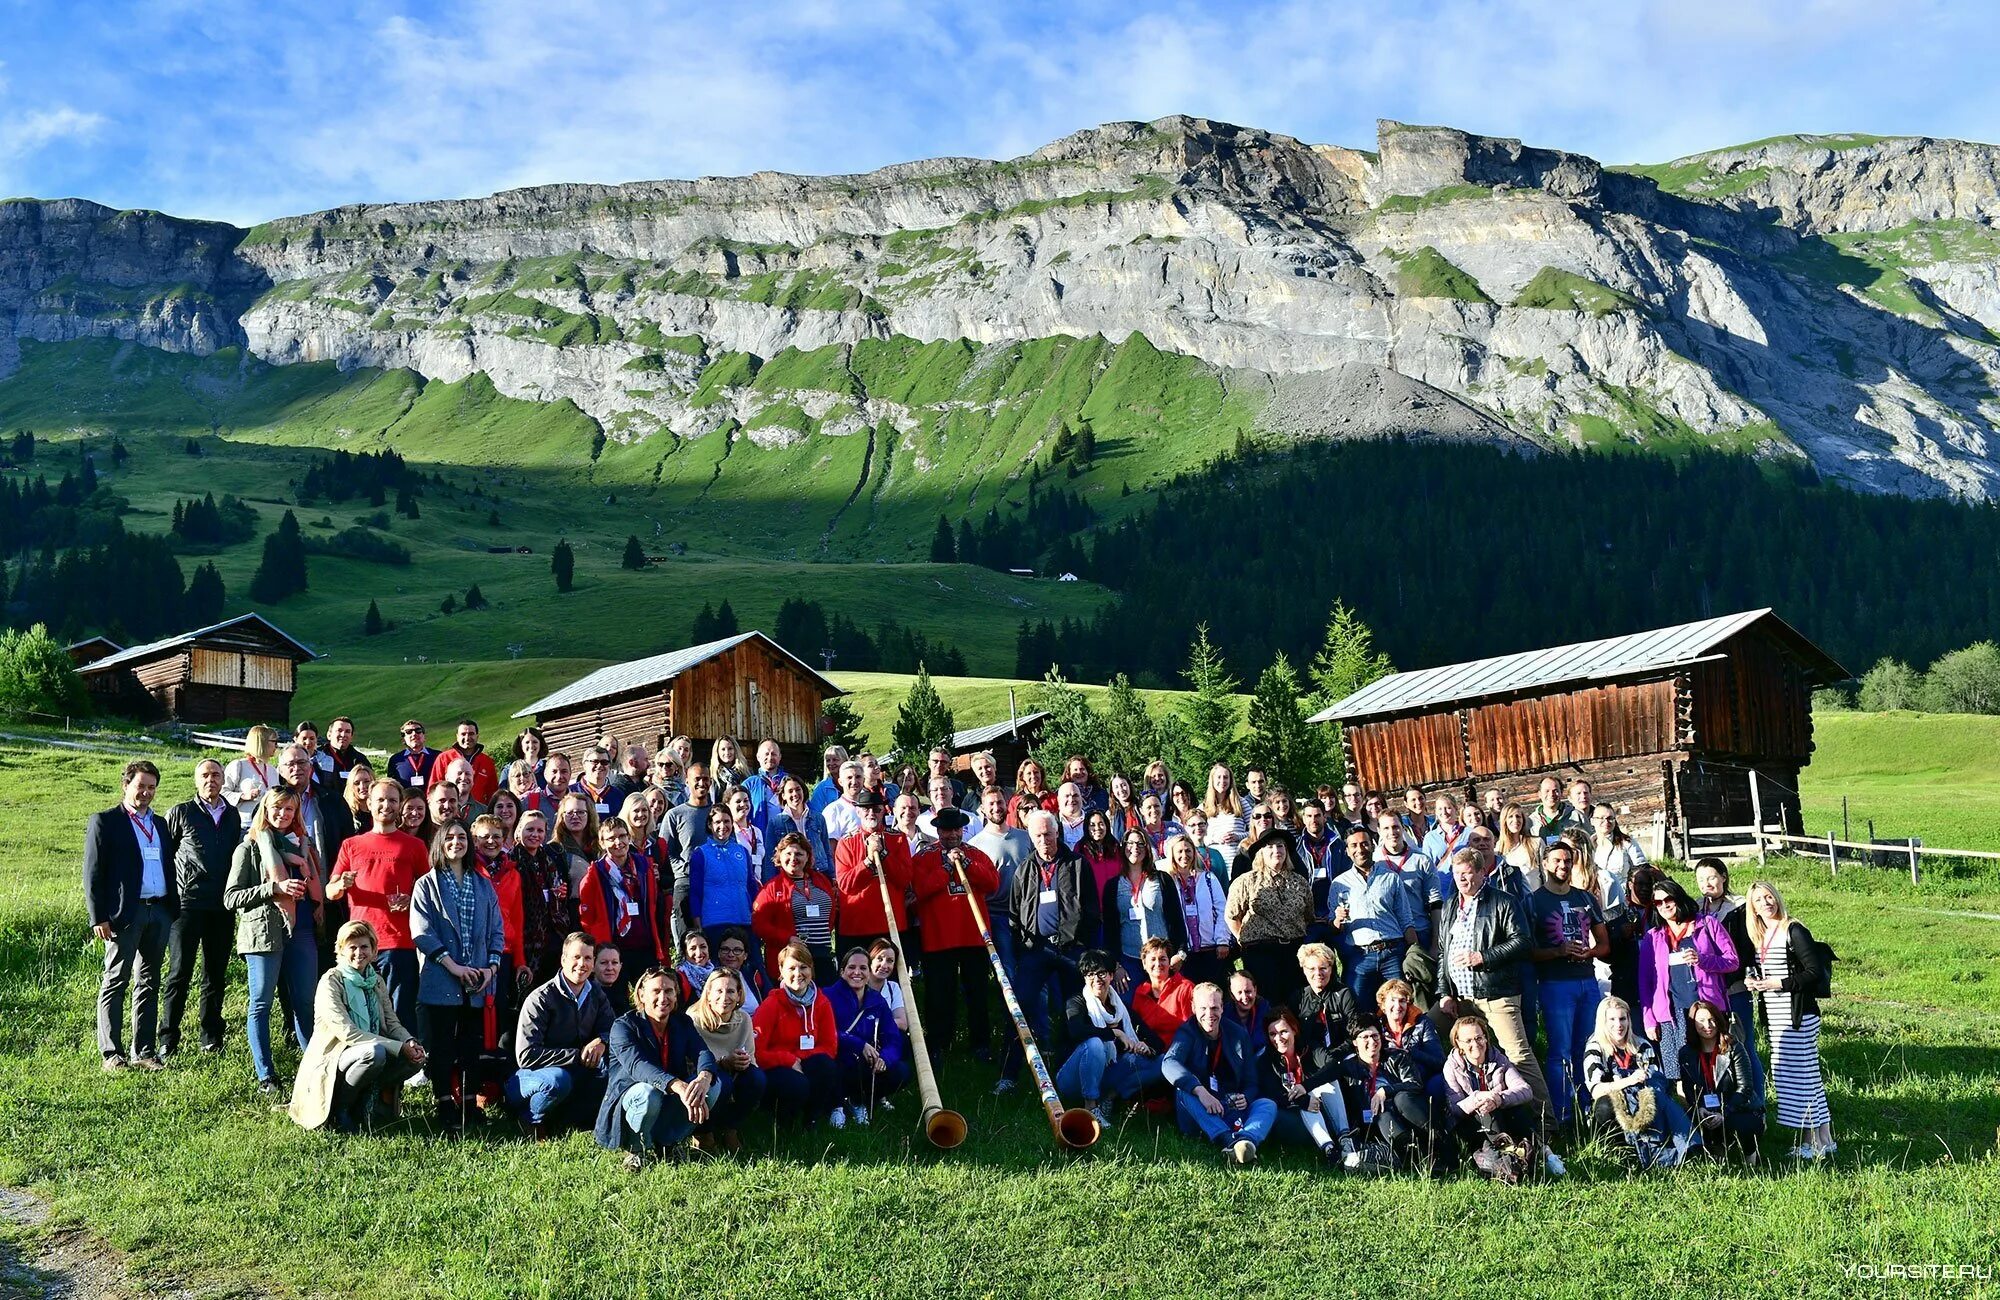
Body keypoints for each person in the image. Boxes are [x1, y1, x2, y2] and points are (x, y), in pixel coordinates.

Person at [1432, 847, 1554, 1141]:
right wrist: (1444, 992)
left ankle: (1545, 1125)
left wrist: (1483, 957)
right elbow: (1442, 953)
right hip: (1460, 998)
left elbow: (1523, 942)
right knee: (1432, 1029)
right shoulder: (1450, 906)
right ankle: (1453, 1122)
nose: (1462, 878)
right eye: (1457, 873)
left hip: (1495, 993)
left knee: (1519, 1055)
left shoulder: (1503, 902)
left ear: (1482, 872)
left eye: (1468, 873)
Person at [225, 786, 324, 1096]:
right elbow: (231, 898)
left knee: (305, 1003)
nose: (283, 815)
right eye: (277, 808)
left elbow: (316, 888)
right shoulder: (250, 848)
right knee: (262, 1003)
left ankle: (312, 1067)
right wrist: (273, 889)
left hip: (303, 931)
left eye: (290, 810)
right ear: (265, 810)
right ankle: (266, 1075)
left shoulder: (305, 848)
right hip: (263, 935)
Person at [410, 822, 505, 1128]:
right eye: (449, 837)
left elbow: (496, 931)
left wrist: (491, 968)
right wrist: (453, 967)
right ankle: (443, 1105)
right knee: (441, 1047)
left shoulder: (482, 884)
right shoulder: (427, 884)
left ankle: (468, 1105)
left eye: (462, 837)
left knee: (470, 1047)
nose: (456, 842)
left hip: (477, 980)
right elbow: (422, 932)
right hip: (442, 977)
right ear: (440, 843)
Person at [289, 920, 426, 1134]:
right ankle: (341, 1110)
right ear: (341, 950)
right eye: (352, 947)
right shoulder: (331, 981)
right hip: (335, 1057)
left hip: (367, 1051)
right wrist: (398, 1047)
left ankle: (368, 1103)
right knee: (374, 1053)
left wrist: (409, 1042)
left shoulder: (376, 981)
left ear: (373, 950)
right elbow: (347, 1033)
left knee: (415, 1059)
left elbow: (391, 1023)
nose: (359, 953)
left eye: (364, 947)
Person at [86, 760, 178, 1073]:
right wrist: (98, 916)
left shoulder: (161, 824)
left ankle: (145, 1051)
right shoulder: (106, 821)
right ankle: (112, 1054)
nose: (146, 793)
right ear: (126, 785)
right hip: (125, 913)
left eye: (152, 787)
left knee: (149, 983)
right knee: (116, 981)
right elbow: (93, 873)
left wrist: (170, 908)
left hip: (159, 910)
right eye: (141, 786)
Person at [998, 810, 1097, 1095]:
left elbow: (1091, 909)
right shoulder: (1025, 868)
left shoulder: (1078, 865)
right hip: (1036, 949)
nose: (1044, 840)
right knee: (1020, 1009)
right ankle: (1009, 1074)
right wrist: (1023, 945)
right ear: (1031, 837)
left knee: (1074, 1011)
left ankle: (1069, 1074)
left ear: (1058, 833)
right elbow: (1014, 912)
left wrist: (1080, 942)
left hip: (1070, 950)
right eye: (1038, 835)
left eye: (1048, 834)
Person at [326, 781, 428, 1033]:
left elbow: (430, 891)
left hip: (398, 942)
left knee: (400, 1011)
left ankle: (407, 1067)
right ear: (369, 804)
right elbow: (330, 891)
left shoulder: (414, 846)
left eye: (393, 800)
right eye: (380, 800)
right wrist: (341, 883)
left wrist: (411, 897)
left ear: (400, 805)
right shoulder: (351, 845)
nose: (386, 805)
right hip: (359, 945)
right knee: (361, 1013)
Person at [1744, 881, 1835, 1159]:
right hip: (1777, 1015)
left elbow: (1814, 972)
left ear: (1777, 898)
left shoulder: (1793, 929)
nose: (1766, 903)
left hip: (1798, 1015)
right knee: (1801, 1077)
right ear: (1753, 908)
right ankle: (1824, 1138)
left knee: (1802, 1078)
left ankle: (1812, 1142)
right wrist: (1756, 982)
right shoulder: (1762, 935)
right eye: (1759, 900)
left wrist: (1776, 983)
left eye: (1769, 897)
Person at [596, 966, 718, 1168]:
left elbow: (702, 1052)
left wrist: (704, 1078)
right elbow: (638, 1066)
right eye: (656, 991)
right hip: (631, 1098)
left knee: (712, 1087)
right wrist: (679, 1085)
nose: (663, 998)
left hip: (668, 1097)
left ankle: (668, 1142)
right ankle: (636, 1149)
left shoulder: (683, 1022)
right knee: (649, 1092)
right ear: (642, 995)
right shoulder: (623, 1026)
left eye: (669, 991)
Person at [159, 758, 240, 1057]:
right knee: (179, 972)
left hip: (222, 905)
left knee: (215, 974)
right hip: (187, 904)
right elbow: (166, 856)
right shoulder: (181, 813)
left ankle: (211, 1035)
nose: (211, 780)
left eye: (216, 775)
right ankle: (168, 1038)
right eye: (205, 775)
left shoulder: (232, 815)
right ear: (196, 781)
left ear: (222, 779)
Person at [1528, 840, 1608, 1128]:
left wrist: (1590, 952)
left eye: (1567, 861)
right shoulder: (1534, 900)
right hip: (1555, 984)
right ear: (1546, 864)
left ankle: (1588, 1111)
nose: (1563, 866)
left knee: (1587, 1048)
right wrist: (1558, 952)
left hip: (1587, 981)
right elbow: (1528, 951)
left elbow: (1604, 943)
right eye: (1557, 861)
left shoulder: (1585, 898)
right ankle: (1561, 1115)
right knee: (1560, 1051)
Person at [508, 932, 617, 1138]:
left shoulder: (595, 993)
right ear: (563, 959)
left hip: (575, 1068)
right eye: (576, 957)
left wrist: (602, 1041)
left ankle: (570, 1120)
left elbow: (612, 1027)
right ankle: (531, 1117)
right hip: (532, 1076)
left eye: (587, 958)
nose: (581, 964)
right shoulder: (540, 998)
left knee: (611, 1067)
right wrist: (577, 1055)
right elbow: (526, 1056)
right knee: (559, 1080)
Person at [911, 809, 999, 1060]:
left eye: (957, 829)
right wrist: (946, 868)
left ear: (963, 830)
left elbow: (993, 883)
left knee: (977, 992)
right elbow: (920, 890)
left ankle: (980, 1044)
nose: (952, 834)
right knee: (939, 993)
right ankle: (938, 1044)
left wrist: (967, 865)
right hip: (939, 938)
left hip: (974, 936)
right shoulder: (923, 857)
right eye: (947, 830)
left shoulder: (976, 854)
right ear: (938, 831)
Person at [1161, 982, 1277, 1166]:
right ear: (1193, 1008)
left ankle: (1246, 1141)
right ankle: (1229, 1140)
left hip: (1229, 1105)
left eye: (1215, 1008)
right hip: (1201, 1110)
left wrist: (1246, 1097)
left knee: (1267, 1104)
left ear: (1223, 1008)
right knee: (1183, 1091)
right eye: (1203, 1008)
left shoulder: (1238, 1034)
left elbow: (1251, 1081)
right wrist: (1201, 1092)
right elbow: (1169, 1063)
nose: (1209, 1014)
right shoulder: (1187, 1031)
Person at [1638, 877, 1739, 1083]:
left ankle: (1719, 1111)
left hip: (1707, 1009)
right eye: (1658, 903)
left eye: (1668, 899)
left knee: (1717, 1068)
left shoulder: (1707, 924)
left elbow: (1732, 961)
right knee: (1679, 1073)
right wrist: (1649, 1020)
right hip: (1671, 1013)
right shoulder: (1654, 936)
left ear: (1679, 898)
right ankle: (1689, 1113)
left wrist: (1702, 960)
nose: (1664, 905)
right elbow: (1645, 980)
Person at [1582, 996, 1698, 1169]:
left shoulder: (1642, 1045)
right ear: (1602, 1022)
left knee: (1661, 1099)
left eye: (1622, 1018)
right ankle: (1616, 1151)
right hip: (1612, 1102)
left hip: (1644, 1099)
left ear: (1629, 1019)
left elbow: (1657, 1080)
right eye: (1612, 1020)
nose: (1618, 1025)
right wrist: (1628, 1081)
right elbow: (1596, 1090)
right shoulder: (1595, 1047)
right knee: (1605, 1106)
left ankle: (1686, 1148)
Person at [1056, 949, 1161, 1129]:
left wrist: (1147, 1047)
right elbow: (1076, 1031)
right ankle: (1091, 1108)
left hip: (1106, 1077)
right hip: (1071, 1079)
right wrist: (1115, 1033)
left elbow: (1156, 1041)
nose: (1096, 979)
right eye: (1090, 974)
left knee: (1161, 1062)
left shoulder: (1121, 1009)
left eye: (1101, 973)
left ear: (1111, 976)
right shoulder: (1077, 1002)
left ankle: (1109, 1097)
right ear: (1084, 978)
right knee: (1095, 1044)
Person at [1694, 856, 1767, 1105]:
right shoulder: (1695, 910)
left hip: (1735, 987)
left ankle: (1757, 1102)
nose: (1707, 883)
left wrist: (1751, 973)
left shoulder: (1740, 907)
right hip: (1707, 994)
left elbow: (1751, 945)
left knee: (1743, 1045)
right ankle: (1722, 1101)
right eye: (1701, 879)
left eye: (1712, 877)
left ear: (1724, 877)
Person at [752, 940, 845, 1129]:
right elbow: (756, 1052)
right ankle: (784, 1122)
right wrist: (788, 1060)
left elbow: (829, 1046)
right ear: (781, 971)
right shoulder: (770, 1005)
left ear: (811, 969)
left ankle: (811, 1119)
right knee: (797, 1084)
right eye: (791, 968)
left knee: (826, 1066)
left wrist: (799, 1059)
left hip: (804, 1060)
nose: (798, 974)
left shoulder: (822, 1002)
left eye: (803, 967)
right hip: (776, 1067)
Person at [1338, 1017, 1448, 1173]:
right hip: (1376, 1120)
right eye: (1365, 1037)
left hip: (1409, 1113)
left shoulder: (1396, 1057)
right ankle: (1414, 1157)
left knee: (1402, 1098)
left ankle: (1436, 1147)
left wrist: (1386, 1091)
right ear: (1355, 1042)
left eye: (1375, 1036)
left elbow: (1415, 1084)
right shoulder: (1349, 1068)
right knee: (1383, 1114)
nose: (1372, 1041)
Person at [1442, 1016, 1546, 1181]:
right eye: (1468, 1040)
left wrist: (1498, 1098)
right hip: (1471, 1123)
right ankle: (1515, 1159)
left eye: (1479, 1038)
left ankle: (1525, 1155)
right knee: (1486, 1110)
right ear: (1458, 1043)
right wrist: (1479, 1098)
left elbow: (1525, 1090)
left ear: (1485, 1037)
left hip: (1501, 1116)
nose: (1475, 1044)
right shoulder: (1451, 1067)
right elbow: (1455, 1108)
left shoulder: (1499, 1059)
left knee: (1516, 1111)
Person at [1327, 824, 1420, 1006]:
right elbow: (1334, 929)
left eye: (1364, 844)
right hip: (1360, 957)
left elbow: (1405, 919)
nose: (1360, 849)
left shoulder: (1391, 877)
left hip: (1393, 952)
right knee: (1358, 1008)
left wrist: (1414, 952)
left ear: (1372, 845)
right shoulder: (1339, 884)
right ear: (1347, 851)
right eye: (1354, 845)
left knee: (1401, 1006)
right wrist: (1337, 919)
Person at [1223, 828, 1312, 1010]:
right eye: (1270, 847)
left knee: (1296, 1003)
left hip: (1294, 951)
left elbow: (1309, 915)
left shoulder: (1300, 882)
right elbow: (1231, 916)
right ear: (1261, 852)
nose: (1276, 851)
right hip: (1260, 952)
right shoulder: (1246, 881)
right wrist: (1243, 939)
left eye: (1280, 846)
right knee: (1267, 1005)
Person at [578, 817, 669, 989]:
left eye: (622, 836)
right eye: (611, 838)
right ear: (602, 842)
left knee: (649, 995)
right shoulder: (594, 874)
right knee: (617, 1002)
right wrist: (599, 946)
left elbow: (654, 905)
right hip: (613, 950)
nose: (618, 842)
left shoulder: (644, 866)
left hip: (645, 946)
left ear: (629, 838)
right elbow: (586, 918)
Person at [1259, 1008, 1359, 1163]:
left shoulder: (1309, 1048)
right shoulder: (1267, 1059)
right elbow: (1270, 1093)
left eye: (1283, 1032)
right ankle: (1329, 1149)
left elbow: (1334, 1067)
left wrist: (1305, 1086)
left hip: (1321, 1112)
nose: (1278, 1038)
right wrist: (1303, 1100)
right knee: (1307, 1097)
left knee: (1327, 1082)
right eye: (1272, 1034)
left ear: (1294, 1030)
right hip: (1290, 1116)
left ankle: (1345, 1138)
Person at [826, 947, 908, 1125]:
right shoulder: (827, 996)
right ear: (842, 971)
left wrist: (885, 1058)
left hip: (866, 1061)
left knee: (901, 1072)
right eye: (851, 967)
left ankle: (859, 1101)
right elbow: (825, 1032)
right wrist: (858, 1044)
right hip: (837, 1058)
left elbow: (893, 1038)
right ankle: (836, 1105)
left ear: (869, 972)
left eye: (863, 968)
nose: (857, 972)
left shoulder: (877, 1001)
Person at [686, 965, 765, 1150]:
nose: (724, 997)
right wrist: (722, 1062)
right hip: (700, 1075)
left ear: (739, 995)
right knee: (721, 1083)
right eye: (718, 991)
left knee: (757, 1079)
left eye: (731, 991)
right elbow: (688, 1063)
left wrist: (743, 1061)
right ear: (708, 994)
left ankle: (731, 1128)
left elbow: (751, 1057)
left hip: (734, 1070)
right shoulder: (693, 1019)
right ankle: (703, 1132)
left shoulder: (744, 1019)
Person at [1677, 998, 1764, 1161]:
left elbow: (1745, 1088)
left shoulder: (1734, 1048)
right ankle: (1715, 1149)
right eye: (1701, 1021)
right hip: (1705, 1109)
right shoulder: (1686, 1053)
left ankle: (1751, 1156)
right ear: (1693, 1024)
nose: (1707, 1025)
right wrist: (1700, 1108)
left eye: (1711, 1019)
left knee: (1746, 1124)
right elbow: (1689, 1088)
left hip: (1735, 1107)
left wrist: (1724, 1112)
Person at [752, 832, 839, 984]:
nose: (793, 858)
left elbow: (831, 913)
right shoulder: (772, 887)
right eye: (788, 853)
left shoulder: (821, 880)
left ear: (807, 857)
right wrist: (787, 938)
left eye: (799, 853)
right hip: (794, 959)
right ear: (780, 856)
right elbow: (759, 924)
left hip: (823, 955)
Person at [832, 791, 913, 952]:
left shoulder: (897, 839)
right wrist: (868, 862)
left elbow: (904, 879)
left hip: (890, 923)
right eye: (866, 809)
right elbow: (846, 885)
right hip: (856, 925)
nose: (871, 813)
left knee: (891, 975)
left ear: (884, 810)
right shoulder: (846, 842)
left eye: (876, 809)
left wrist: (884, 854)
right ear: (858, 811)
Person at [969, 785, 1034, 985]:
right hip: (996, 915)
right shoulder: (975, 844)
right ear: (983, 808)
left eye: (1000, 802)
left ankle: (1039, 1013)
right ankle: (1012, 1015)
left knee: (1032, 965)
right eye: (991, 804)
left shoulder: (1026, 837)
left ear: (1007, 805)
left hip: (1027, 913)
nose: (996, 807)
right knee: (1006, 968)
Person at [1103, 827, 1183, 987]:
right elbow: (1110, 930)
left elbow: (1176, 919)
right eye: (1130, 843)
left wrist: (1180, 954)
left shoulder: (1162, 879)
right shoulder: (1113, 886)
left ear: (1147, 848)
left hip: (1161, 959)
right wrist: (1116, 966)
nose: (1135, 848)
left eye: (1140, 844)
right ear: (1123, 847)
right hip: (1129, 959)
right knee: (1132, 1008)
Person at [1161, 833, 1231, 989]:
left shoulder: (1208, 878)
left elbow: (1222, 910)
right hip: (1182, 953)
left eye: (1188, 851)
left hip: (1210, 949)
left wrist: (1222, 940)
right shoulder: (1167, 881)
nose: (1184, 855)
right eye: (1179, 851)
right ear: (1172, 855)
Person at [511, 810, 575, 980]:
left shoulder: (549, 860)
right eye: (529, 829)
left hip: (553, 933)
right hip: (525, 936)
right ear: (519, 831)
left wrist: (558, 895)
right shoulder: (511, 862)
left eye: (540, 831)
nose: (535, 834)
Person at [684, 803, 757, 943]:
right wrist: (697, 923)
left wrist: (755, 915)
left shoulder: (742, 851)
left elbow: (751, 886)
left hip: (743, 920)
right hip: (714, 922)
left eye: (726, 821)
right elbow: (695, 892)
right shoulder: (701, 854)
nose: (723, 826)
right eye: (717, 822)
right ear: (710, 825)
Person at [1129, 936, 1194, 1049]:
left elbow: (1192, 1030)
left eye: (1163, 959)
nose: (1158, 964)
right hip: (1149, 1052)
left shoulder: (1185, 988)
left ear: (1169, 962)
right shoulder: (1140, 992)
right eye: (1153, 959)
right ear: (1144, 964)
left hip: (1179, 1051)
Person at [1376, 979, 1445, 1082]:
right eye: (1393, 1000)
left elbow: (1440, 1062)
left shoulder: (1423, 1023)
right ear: (1383, 1005)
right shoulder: (1375, 1027)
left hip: (1421, 1079)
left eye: (1402, 1001)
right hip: (1388, 1082)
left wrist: (1412, 1053)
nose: (1397, 1006)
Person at [766, 774, 833, 876]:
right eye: (790, 791)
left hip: (819, 875)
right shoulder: (775, 822)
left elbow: (827, 851)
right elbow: (769, 857)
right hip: (790, 877)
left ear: (803, 791)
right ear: (783, 795)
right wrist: (770, 883)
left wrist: (832, 877)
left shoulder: (818, 818)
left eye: (798, 789)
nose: (795, 794)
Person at [222, 725, 280, 826]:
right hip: (243, 826)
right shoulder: (238, 765)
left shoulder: (272, 770)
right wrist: (243, 796)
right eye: (274, 741)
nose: (277, 746)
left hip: (268, 826)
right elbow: (221, 794)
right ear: (262, 742)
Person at [437, 719, 500, 808]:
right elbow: (434, 789)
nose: (467, 738)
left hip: (477, 813)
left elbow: (493, 793)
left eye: (471, 734)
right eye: (463, 734)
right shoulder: (444, 758)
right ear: (457, 736)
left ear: (477, 736)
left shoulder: (487, 761)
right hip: (449, 811)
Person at [1201, 763, 1246, 875]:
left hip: (1238, 863)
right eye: (1219, 777)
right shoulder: (1203, 807)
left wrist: (1238, 836)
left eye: (1226, 777)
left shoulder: (1241, 803)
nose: (1222, 781)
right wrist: (1216, 839)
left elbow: (1255, 831)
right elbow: (1197, 838)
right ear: (1212, 780)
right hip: (1215, 865)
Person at [1495, 803, 1544, 893]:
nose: (1515, 820)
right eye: (1510, 816)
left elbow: (1546, 874)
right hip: (1513, 900)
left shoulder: (1536, 843)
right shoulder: (1499, 848)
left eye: (1518, 816)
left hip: (1535, 898)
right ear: (1504, 820)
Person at [387, 720, 440, 792]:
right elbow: (391, 786)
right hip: (406, 801)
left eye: (418, 730)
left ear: (424, 736)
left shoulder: (438, 756)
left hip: (432, 801)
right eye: (409, 732)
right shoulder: (396, 759)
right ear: (403, 739)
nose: (414, 734)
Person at [1076, 809, 1120, 895]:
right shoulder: (1080, 848)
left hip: (1115, 899)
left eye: (1101, 824)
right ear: (1087, 827)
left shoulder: (1115, 847)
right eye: (1092, 825)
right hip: (1092, 901)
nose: (1097, 828)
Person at [1007, 758, 1057, 830]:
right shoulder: (1015, 801)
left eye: (1036, 772)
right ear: (1022, 777)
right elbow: (1011, 826)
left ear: (1041, 775)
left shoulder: (1052, 798)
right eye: (1029, 773)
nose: (1033, 776)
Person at [1527, 775, 1576, 843]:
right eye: (1547, 791)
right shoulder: (1530, 822)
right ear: (1540, 794)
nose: (1551, 794)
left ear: (1561, 793)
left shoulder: (1576, 816)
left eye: (1555, 790)